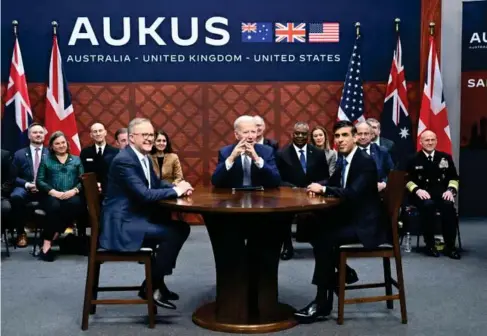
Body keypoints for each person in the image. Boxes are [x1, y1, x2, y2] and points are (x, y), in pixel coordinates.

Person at [99, 118, 194, 310]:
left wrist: (178, 187)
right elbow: (144, 194)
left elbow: (155, 185)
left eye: (151, 135)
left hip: (135, 215)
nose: (150, 139)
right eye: (145, 135)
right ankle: (152, 285)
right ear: (132, 138)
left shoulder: (142, 157)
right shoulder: (124, 160)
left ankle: (155, 283)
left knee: (179, 227)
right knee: (175, 232)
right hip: (122, 224)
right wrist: (176, 192)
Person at [295, 120, 383, 323]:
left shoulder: (364, 161)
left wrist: (324, 190)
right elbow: (334, 181)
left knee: (324, 238)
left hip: (365, 224)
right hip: (350, 216)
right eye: (337, 136)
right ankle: (344, 274)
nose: (340, 140)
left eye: (345, 135)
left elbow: (352, 193)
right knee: (310, 224)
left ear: (355, 137)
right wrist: (317, 185)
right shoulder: (345, 159)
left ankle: (321, 303)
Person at [276, 122, 330, 260]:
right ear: (292, 134)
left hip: (313, 194)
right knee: (282, 215)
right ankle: (287, 246)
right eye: (297, 133)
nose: (300, 136)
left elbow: (326, 177)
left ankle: (322, 247)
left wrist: (317, 186)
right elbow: (278, 179)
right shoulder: (282, 154)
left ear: (308, 135)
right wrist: (293, 189)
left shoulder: (318, 153)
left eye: (303, 133)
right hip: (290, 196)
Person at [405, 130, 460, 259]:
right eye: (427, 140)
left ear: (436, 141)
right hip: (421, 195)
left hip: (441, 194)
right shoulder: (412, 159)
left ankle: (450, 247)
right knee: (428, 206)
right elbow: (406, 180)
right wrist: (417, 190)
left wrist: (450, 191)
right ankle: (430, 245)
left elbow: (454, 178)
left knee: (448, 207)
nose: (430, 143)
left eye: (432, 140)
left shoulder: (445, 157)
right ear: (421, 142)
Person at [36, 131, 86, 262]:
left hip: (72, 194)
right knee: (54, 206)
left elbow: (83, 180)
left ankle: (48, 239)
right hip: (52, 195)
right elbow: (40, 181)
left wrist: (74, 190)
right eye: (57, 143)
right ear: (52, 146)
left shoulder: (76, 159)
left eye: (63, 142)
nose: (61, 145)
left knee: (74, 204)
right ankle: (48, 243)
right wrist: (53, 192)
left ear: (67, 143)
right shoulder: (46, 160)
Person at [212, 115, 281, 188]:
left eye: (253, 132)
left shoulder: (267, 151)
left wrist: (257, 159)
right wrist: (231, 158)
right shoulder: (225, 152)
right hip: (234, 197)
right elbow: (216, 181)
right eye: (246, 132)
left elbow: (276, 181)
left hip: (259, 197)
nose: (250, 136)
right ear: (236, 135)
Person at [10, 123, 49, 248]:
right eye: (35, 132)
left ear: (44, 135)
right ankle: (21, 233)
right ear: (29, 135)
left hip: (45, 187)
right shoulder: (19, 154)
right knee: (16, 197)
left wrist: (42, 185)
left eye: (40, 132)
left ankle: (48, 234)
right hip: (24, 187)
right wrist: (27, 184)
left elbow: (55, 175)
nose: (38, 135)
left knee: (55, 199)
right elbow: (12, 176)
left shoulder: (51, 153)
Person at [80, 123, 119, 196]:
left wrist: (104, 186)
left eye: (100, 131)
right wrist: (95, 185)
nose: (98, 134)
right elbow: (83, 173)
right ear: (91, 135)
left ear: (105, 132)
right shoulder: (85, 153)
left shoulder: (116, 152)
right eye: (95, 131)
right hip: (91, 190)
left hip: (111, 190)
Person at [355, 121, 394, 192]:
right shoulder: (348, 151)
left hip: (378, 195)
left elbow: (392, 173)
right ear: (354, 135)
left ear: (372, 135)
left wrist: (384, 183)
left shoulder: (382, 151)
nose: (363, 137)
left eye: (366, 134)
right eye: (359, 134)